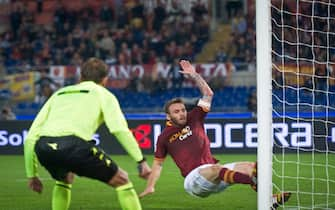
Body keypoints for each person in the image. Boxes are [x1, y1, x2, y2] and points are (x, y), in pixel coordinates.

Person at [139, 60, 291, 209]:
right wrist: (150, 186)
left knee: (250, 167)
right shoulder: (164, 137)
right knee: (217, 169)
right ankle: (252, 183)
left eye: (183, 110)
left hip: (214, 173)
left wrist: (195, 75)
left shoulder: (194, 117)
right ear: (168, 116)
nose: (182, 114)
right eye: (176, 112)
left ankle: (269, 201)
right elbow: (158, 164)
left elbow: (208, 93)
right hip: (193, 181)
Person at [24, 57, 151, 210]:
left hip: (44, 147)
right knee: (122, 180)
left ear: (81, 77)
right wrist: (141, 161)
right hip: (73, 146)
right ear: (105, 80)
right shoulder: (104, 94)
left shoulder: (59, 94)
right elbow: (119, 129)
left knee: (65, 179)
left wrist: (32, 174)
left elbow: (31, 138)